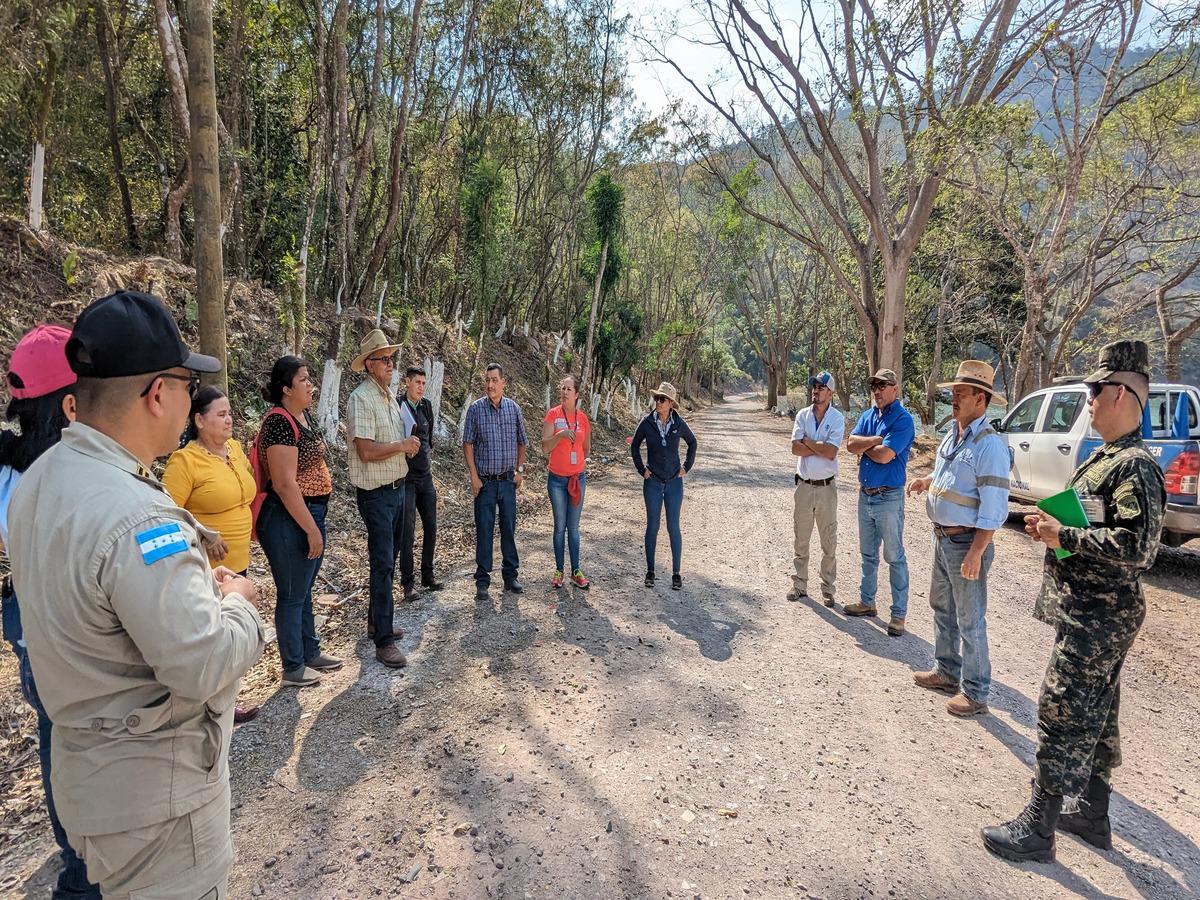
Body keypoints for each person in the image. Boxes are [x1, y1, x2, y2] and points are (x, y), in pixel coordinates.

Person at [7, 290, 265, 899]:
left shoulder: (40, 482)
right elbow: (201, 662)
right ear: (158, 395)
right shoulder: (140, 518)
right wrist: (239, 605)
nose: (190, 399)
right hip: (159, 802)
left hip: (90, 782)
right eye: (184, 384)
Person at [983, 340, 1166, 864]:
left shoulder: (1135, 465)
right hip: (1092, 610)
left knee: (1061, 710)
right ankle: (1094, 814)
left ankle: (1038, 829)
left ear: (1123, 393)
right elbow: (1098, 517)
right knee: (1100, 712)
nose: (1087, 398)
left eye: (1095, 388)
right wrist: (1055, 523)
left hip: (1100, 615)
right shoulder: (1109, 459)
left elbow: (1139, 548)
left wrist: (1064, 535)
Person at [0, 325, 100, 900]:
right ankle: (82, 874)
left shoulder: (13, 465)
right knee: (81, 745)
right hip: (68, 627)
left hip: (29, 628)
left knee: (55, 738)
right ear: (70, 403)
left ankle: (74, 855)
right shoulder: (66, 475)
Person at [906, 361, 1010, 718]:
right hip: (943, 539)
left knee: (970, 618)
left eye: (961, 393)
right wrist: (927, 482)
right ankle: (947, 671)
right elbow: (947, 476)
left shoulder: (990, 446)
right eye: (953, 392)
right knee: (942, 607)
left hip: (966, 543)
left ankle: (976, 692)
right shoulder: (953, 434)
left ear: (981, 400)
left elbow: (994, 509)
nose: (954, 398)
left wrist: (977, 552)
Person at [163, 385, 262, 723]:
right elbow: (167, 515)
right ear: (199, 421)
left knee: (232, 630)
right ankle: (213, 705)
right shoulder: (184, 461)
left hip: (239, 561)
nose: (229, 420)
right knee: (213, 635)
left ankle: (227, 698)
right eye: (220, 415)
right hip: (206, 567)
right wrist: (202, 535)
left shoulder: (233, 449)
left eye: (230, 413)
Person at [256, 355, 342, 686]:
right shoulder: (278, 423)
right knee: (292, 592)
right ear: (286, 388)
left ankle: (310, 652)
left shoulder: (300, 416)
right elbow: (284, 484)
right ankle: (292, 666)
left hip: (308, 512)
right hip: (288, 517)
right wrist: (310, 529)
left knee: (304, 589)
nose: (310, 385)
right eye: (304, 380)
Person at [346, 330, 420, 669]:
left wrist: (408, 444)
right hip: (376, 494)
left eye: (392, 359)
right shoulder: (362, 398)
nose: (391, 365)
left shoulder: (387, 395)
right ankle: (383, 642)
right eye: (385, 360)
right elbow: (365, 449)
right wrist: (401, 447)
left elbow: (391, 441)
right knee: (383, 563)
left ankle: (379, 622)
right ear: (370, 365)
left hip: (396, 488)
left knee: (389, 558)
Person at [845, 367, 915, 636]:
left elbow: (886, 455)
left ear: (895, 388)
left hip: (889, 496)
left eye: (882, 385)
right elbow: (850, 445)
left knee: (894, 556)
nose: (877, 390)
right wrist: (874, 440)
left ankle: (898, 615)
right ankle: (867, 601)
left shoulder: (903, 419)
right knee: (868, 554)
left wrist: (867, 446)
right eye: (874, 385)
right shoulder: (867, 415)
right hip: (866, 494)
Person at [463, 363, 528, 600]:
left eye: (494, 380)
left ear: (503, 382)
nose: (490, 384)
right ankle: (482, 580)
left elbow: (523, 441)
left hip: (508, 481)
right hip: (486, 483)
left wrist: (519, 470)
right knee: (484, 529)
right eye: (487, 380)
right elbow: (467, 443)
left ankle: (510, 576)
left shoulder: (514, 410)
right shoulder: (476, 409)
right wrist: (473, 475)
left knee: (509, 528)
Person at [631, 382, 697, 590]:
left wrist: (686, 467)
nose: (658, 402)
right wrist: (643, 470)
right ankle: (650, 571)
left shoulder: (678, 423)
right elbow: (634, 445)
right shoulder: (647, 422)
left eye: (662, 399)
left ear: (671, 403)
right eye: (657, 398)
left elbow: (693, 442)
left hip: (674, 483)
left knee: (673, 527)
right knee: (652, 526)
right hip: (653, 482)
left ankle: (676, 573)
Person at [787, 371, 845, 607]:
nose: (815, 390)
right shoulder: (802, 415)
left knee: (828, 540)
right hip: (803, 485)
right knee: (801, 538)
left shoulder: (838, 418)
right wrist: (819, 446)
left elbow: (832, 452)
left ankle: (828, 589)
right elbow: (795, 449)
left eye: (821, 387)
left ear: (830, 393)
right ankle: (799, 585)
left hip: (826, 488)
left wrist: (808, 443)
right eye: (814, 386)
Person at [541, 374, 592, 588]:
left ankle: (576, 571)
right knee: (559, 526)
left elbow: (586, 447)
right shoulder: (553, 415)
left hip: (576, 479)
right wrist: (560, 435)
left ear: (577, 394)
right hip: (557, 481)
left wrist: (577, 464)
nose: (564, 392)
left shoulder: (582, 418)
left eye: (568, 389)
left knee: (573, 527)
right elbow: (545, 447)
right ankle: (559, 571)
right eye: (562, 388)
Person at [400, 365, 444, 596]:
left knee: (431, 526)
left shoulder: (426, 406)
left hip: (425, 477)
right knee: (407, 531)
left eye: (424, 384)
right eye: (417, 382)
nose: (421, 387)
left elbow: (430, 439)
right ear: (407, 382)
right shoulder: (398, 406)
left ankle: (428, 574)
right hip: (405, 479)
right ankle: (408, 583)